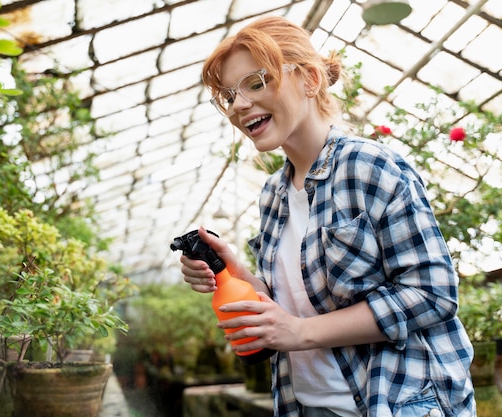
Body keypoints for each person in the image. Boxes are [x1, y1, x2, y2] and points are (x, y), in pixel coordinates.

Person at [177, 15, 475, 417]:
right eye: (229, 95)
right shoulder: (274, 195)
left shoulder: (369, 166)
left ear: (310, 80)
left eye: (256, 82)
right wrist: (240, 276)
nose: (240, 104)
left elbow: (432, 292)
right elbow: (302, 303)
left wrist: (300, 333)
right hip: (307, 404)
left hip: (392, 402)